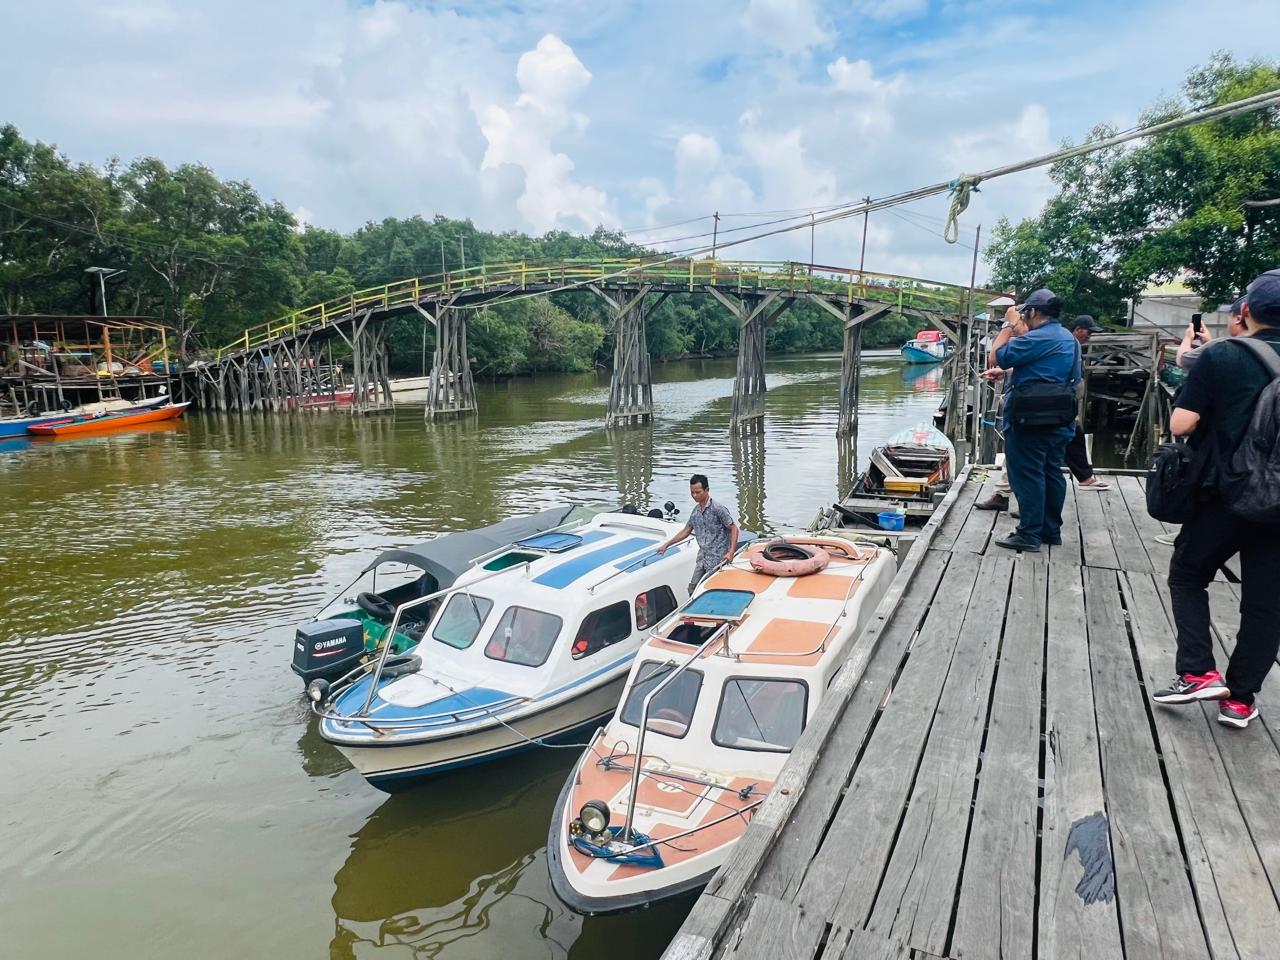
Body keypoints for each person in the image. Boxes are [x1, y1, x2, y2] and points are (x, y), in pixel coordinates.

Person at [1152, 270, 1280, 729]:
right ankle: (1241, 700)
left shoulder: (1223, 356)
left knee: (1188, 574)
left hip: (1224, 495)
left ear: (1244, 312)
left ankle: (1198, 670)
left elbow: (1182, 425)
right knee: (1267, 604)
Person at [980, 288, 1080, 552]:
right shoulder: (1069, 338)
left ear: (1033, 312)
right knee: (1051, 472)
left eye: (1025, 313)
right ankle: (1049, 530)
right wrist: (1010, 373)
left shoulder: (1036, 338)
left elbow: (995, 354)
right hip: (1060, 417)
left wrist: (1008, 324)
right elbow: (1057, 372)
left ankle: (1029, 533)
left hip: (1030, 418)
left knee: (1027, 474)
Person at [656, 474, 739, 594]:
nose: (694, 495)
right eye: (692, 492)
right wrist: (667, 544)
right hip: (702, 558)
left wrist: (731, 552)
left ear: (707, 490)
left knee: (714, 589)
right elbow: (686, 531)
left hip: (719, 559)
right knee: (693, 588)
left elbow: (733, 528)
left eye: (698, 492)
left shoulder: (718, 509)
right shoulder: (695, 512)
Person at [1064, 316, 1110, 492]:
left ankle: (1085, 477)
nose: (1089, 336)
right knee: (1073, 436)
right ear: (1078, 329)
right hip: (1060, 401)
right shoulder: (1068, 344)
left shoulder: (1072, 345)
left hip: (1065, 401)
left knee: (1073, 436)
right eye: (1088, 332)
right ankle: (1085, 477)